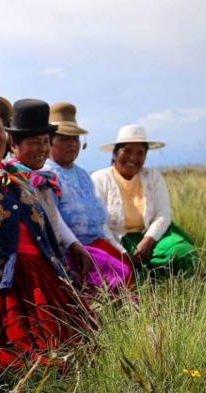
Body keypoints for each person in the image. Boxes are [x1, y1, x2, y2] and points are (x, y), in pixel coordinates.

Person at [0, 89, 94, 372]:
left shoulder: (20, 180)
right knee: (21, 358)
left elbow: (47, 231)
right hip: (0, 288)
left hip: (45, 280)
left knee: (79, 350)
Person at [42, 102, 133, 293]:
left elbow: (101, 225)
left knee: (127, 266)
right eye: (64, 138)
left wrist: (118, 248)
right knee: (115, 274)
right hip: (72, 252)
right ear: (48, 141)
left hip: (97, 244)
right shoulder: (46, 175)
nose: (72, 144)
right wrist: (75, 246)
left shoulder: (83, 174)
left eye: (75, 138)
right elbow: (54, 219)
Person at [91, 125, 197, 276]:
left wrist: (148, 241)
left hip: (151, 236)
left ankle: (158, 278)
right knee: (118, 266)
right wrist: (121, 251)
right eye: (127, 151)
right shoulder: (99, 179)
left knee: (182, 252)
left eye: (140, 153)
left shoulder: (153, 177)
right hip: (116, 239)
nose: (133, 158)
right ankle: (145, 276)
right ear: (115, 154)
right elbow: (99, 222)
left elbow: (163, 214)